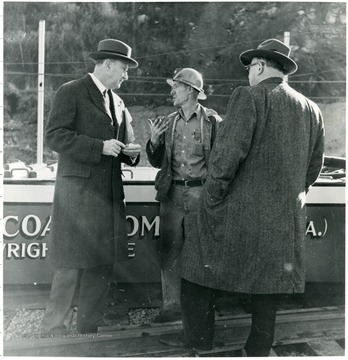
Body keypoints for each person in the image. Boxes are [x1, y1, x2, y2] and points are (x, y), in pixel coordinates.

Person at [167, 38, 325, 354]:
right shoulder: (311, 109)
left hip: (240, 219)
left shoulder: (249, 97)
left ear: (260, 66)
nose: (248, 74)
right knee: (268, 289)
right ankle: (257, 350)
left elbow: (225, 159)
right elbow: (313, 168)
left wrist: (211, 200)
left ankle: (200, 343)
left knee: (195, 265)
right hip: (284, 222)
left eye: (250, 68)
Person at [41, 39, 141, 335]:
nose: (126, 76)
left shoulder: (118, 103)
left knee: (101, 262)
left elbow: (121, 145)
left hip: (108, 195)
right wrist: (99, 146)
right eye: (123, 69)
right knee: (70, 263)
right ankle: (53, 330)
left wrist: (130, 153)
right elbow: (55, 136)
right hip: (77, 196)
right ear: (106, 64)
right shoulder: (71, 91)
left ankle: (89, 327)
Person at [146, 68, 222, 322]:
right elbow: (158, 162)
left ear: (190, 90)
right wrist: (154, 142)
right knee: (170, 252)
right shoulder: (169, 122)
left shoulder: (212, 122)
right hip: (173, 195)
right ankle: (171, 307)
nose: (172, 92)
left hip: (202, 195)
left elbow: (223, 163)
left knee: (201, 253)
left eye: (176, 87)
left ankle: (199, 310)